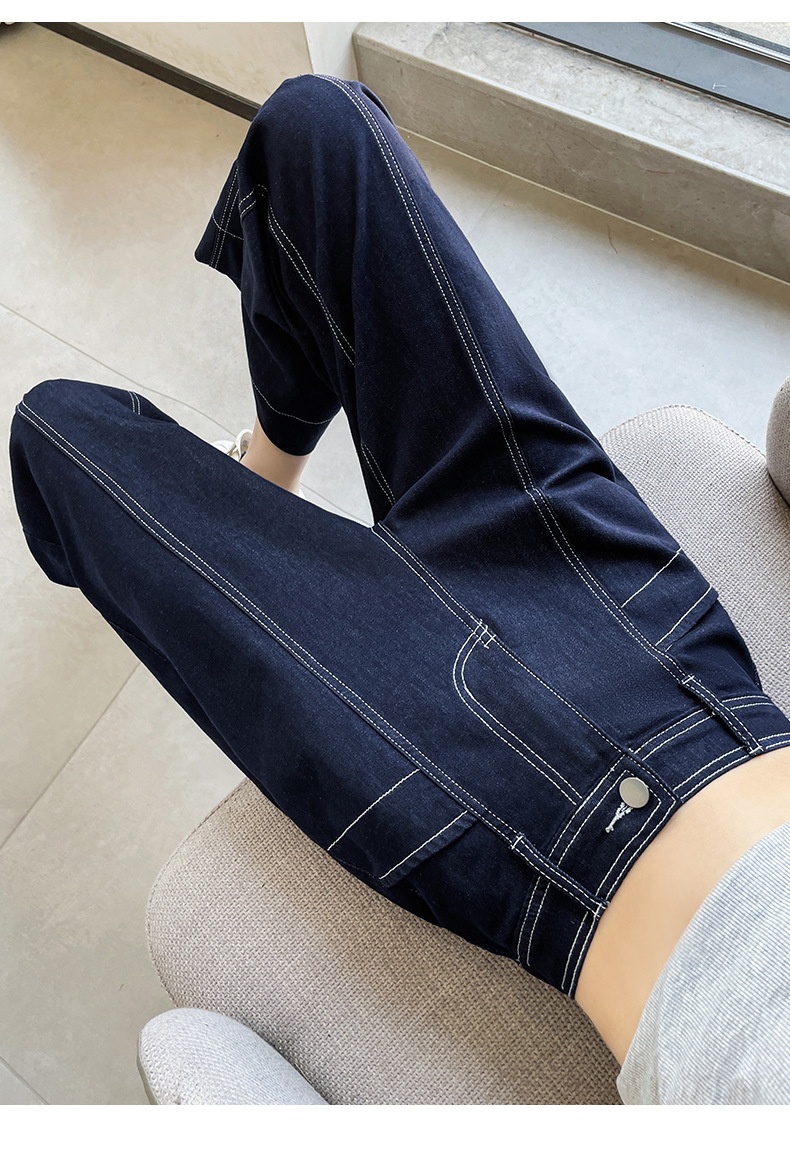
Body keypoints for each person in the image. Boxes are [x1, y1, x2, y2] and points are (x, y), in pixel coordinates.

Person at [10, 74, 790, 1104]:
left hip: (519, 834)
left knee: (59, 433)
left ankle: (272, 497)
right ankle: (276, 454)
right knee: (318, 128)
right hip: (673, 659)